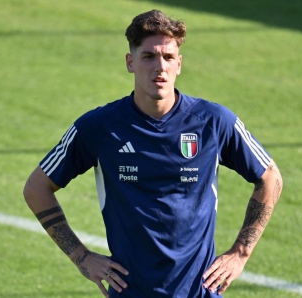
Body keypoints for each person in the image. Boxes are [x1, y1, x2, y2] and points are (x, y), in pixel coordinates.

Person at [23, 9, 283, 298]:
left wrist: (241, 252)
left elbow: (270, 177)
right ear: (130, 62)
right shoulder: (99, 128)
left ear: (179, 64)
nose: (160, 66)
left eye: (168, 57)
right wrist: (81, 257)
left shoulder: (213, 122)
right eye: (148, 56)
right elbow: (37, 187)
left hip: (199, 292)